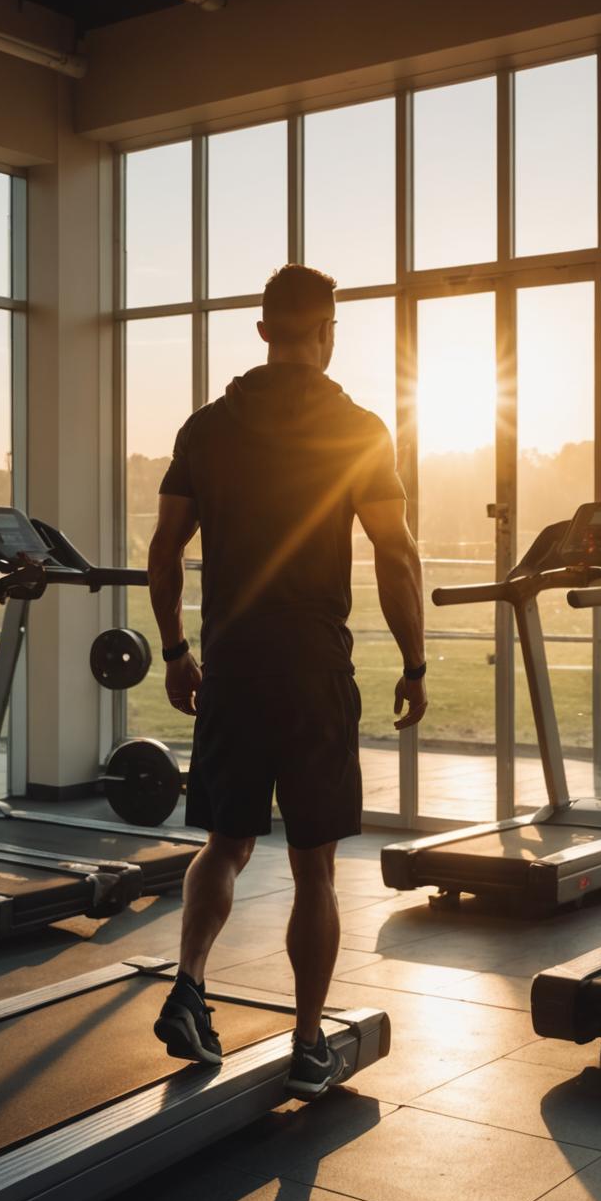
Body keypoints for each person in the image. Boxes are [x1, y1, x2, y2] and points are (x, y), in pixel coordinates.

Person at [146, 263, 427, 1098]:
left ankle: (190, 983)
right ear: (328, 331)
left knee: (224, 845)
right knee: (314, 868)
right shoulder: (360, 429)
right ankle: (307, 1042)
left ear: (264, 330)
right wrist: (414, 663)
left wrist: (173, 650)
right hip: (312, 668)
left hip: (231, 662)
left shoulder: (207, 427)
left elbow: (165, 549)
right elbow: (396, 553)